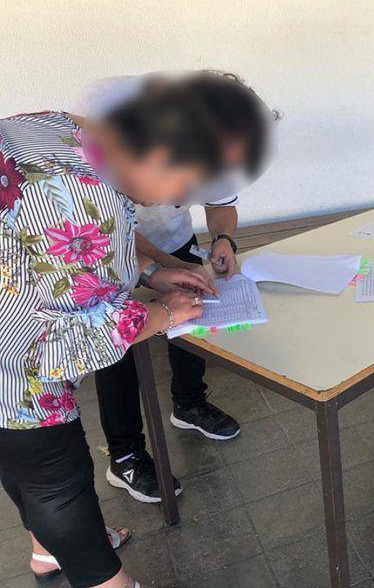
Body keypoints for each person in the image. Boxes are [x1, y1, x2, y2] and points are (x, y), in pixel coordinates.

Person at [0, 78, 257, 587]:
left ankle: (47, 553)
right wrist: (162, 315)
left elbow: (65, 248)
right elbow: (61, 345)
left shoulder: (67, 131)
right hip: (17, 366)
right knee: (59, 485)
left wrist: (152, 272)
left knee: (21, 466)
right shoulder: (79, 197)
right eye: (185, 186)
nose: (180, 200)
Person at [88, 72, 273, 503]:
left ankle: (188, 403)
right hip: (109, 251)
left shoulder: (218, 147)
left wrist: (222, 240)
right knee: (119, 346)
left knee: (190, 317)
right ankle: (125, 455)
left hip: (171, 245)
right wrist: (164, 268)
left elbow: (221, 205)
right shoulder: (118, 139)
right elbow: (112, 227)